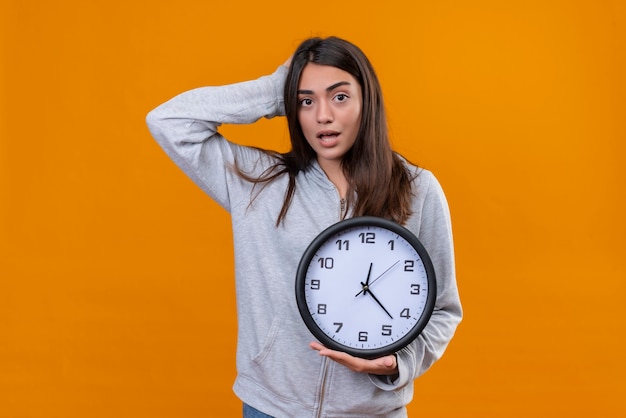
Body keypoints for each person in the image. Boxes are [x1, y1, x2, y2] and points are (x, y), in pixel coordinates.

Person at [146, 36, 462, 418]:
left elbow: (443, 309)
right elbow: (168, 122)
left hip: (372, 412)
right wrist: (274, 91)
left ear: (368, 102)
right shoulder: (259, 182)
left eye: (340, 97)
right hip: (271, 408)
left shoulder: (417, 189)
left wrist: (397, 363)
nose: (322, 116)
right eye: (306, 101)